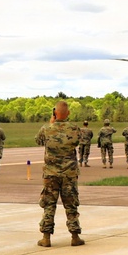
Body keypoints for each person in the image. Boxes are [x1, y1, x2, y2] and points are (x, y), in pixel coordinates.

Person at [35, 101, 85, 247]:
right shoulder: (74, 129)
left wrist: (52, 123)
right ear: (68, 113)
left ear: (54, 113)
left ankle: (46, 238)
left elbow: (38, 141)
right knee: (71, 204)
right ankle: (75, 236)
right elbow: (79, 141)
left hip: (51, 174)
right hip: (69, 173)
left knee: (49, 204)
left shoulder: (46, 129)